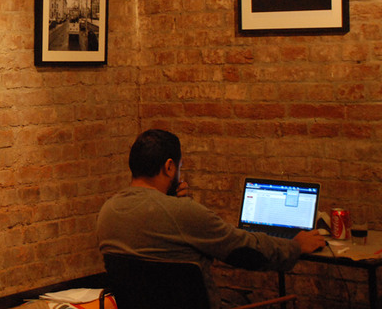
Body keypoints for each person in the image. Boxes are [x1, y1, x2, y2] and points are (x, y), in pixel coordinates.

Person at [97, 129, 325, 308]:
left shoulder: (108, 212)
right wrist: (295, 246)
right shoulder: (183, 212)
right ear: (169, 167)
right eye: (179, 167)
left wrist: (170, 200)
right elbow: (245, 249)